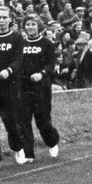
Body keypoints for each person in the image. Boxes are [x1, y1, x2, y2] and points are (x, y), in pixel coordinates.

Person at [17, 14, 60, 159]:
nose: (30, 27)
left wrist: (41, 74)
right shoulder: (21, 43)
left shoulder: (46, 43)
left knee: (42, 119)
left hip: (41, 86)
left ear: (39, 27)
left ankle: (52, 142)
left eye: (33, 24)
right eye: (27, 24)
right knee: (23, 119)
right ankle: (28, 153)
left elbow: (50, 64)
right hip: (24, 86)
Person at [0, 6, 25, 165]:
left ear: (10, 19)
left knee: (11, 121)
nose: (1, 21)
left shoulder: (16, 38)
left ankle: (18, 147)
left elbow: (18, 60)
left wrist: (8, 71)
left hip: (10, 84)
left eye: (4, 18)